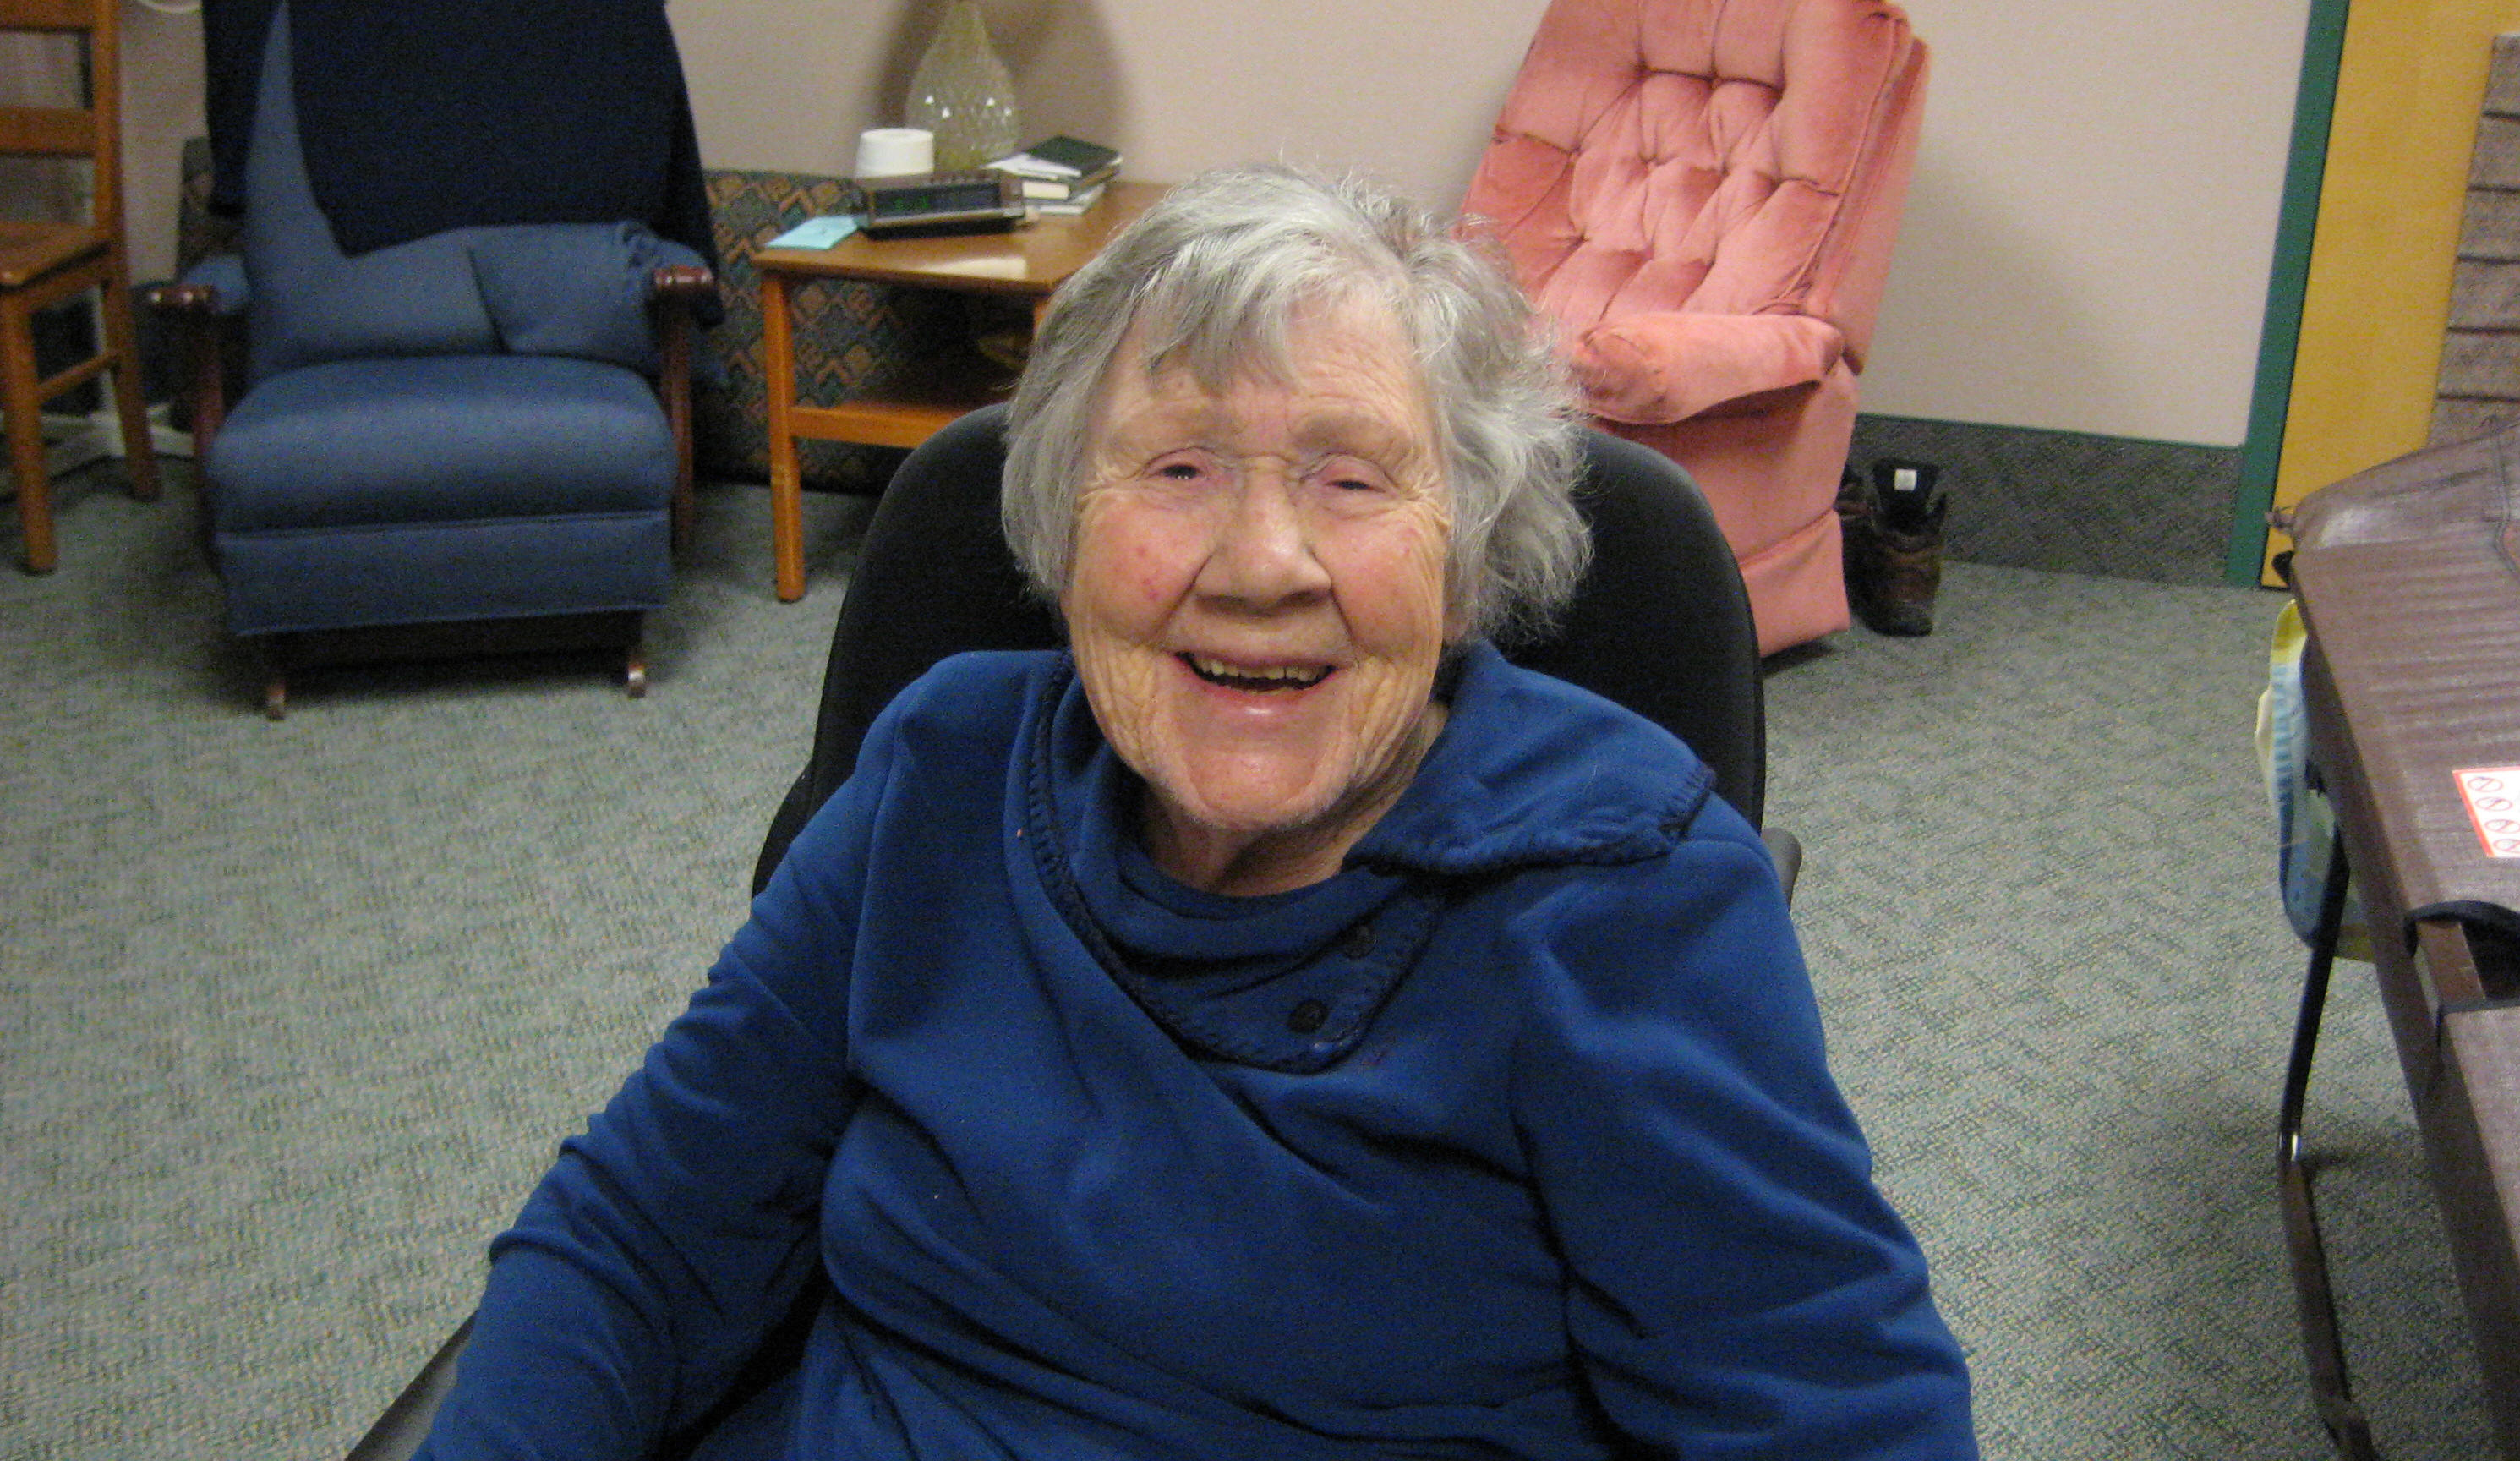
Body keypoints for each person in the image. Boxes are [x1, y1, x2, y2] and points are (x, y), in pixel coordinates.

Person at [418, 165, 1976, 1460]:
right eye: (1176, 469)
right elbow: (640, 1239)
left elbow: (1836, 1420)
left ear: (1465, 553)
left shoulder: (1623, 897)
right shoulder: (942, 771)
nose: (1261, 564)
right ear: (1062, 526)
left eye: (1353, 481)